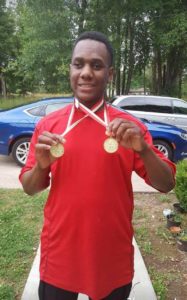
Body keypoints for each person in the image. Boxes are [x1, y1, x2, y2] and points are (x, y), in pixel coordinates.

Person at [19, 31, 176, 300]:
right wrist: (42, 166)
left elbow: (166, 184)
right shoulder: (49, 127)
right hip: (60, 254)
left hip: (110, 256)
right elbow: (30, 188)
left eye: (97, 65)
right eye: (78, 64)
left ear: (110, 74)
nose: (86, 72)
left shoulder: (129, 128)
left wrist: (144, 149)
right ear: (70, 69)